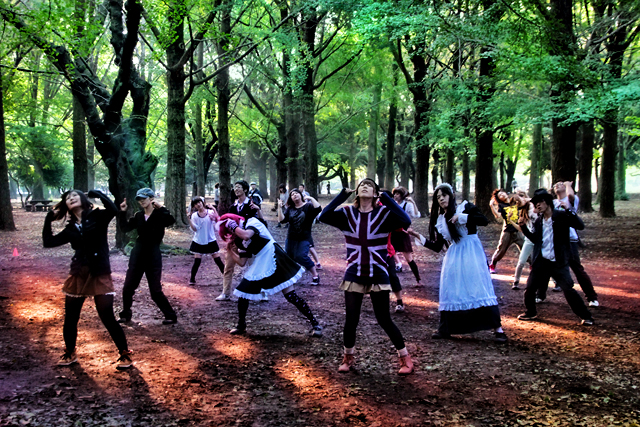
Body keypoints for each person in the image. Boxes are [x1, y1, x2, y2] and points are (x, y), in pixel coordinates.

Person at [319, 178, 414, 375]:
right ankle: (348, 356)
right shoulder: (347, 214)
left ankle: (405, 358)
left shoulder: (384, 214)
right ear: (357, 191)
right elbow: (324, 216)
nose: (365, 186)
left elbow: (405, 221)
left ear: (375, 193)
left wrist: (386, 198)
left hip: (378, 271)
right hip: (354, 271)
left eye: (370, 185)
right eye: (362, 184)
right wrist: (342, 195)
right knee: (351, 319)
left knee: (384, 319)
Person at [43, 189, 132, 369]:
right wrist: (47, 220)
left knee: (107, 316)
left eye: (75, 195)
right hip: (79, 274)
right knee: (71, 317)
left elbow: (114, 210)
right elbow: (48, 242)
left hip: (99, 273)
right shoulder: (70, 229)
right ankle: (70, 353)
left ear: (83, 199)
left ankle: (125, 354)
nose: (71, 198)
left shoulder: (98, 217)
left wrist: (98, 193)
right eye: (68, 198)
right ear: (66, 205)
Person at [417, 183, 507, 343]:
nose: (441, 199)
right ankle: (445, 329)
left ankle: (498, 330)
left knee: (478, 287)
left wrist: (462, 217)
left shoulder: (465, 207)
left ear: (451, 195)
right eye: (438, 197)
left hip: (472, 252)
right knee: (451, 289)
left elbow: (484, 220)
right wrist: (420, 238)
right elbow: (438, 246)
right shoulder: (440, 220)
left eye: (443, 195)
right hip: (454, 256)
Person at [217, 214, 323, 337]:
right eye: (228, 231)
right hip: (260, 263)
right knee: (243, 293)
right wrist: (230, 251)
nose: (231, 232)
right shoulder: (239, 239)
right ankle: (241, 326)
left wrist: (234, 226)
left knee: (291, 295)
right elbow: (242, 262)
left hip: (273, 257)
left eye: (230, 229)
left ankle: (315, 324)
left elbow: (247, 234)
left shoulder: (252, 221)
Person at [511, 189, 594, 326]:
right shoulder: (539, 221)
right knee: (530, 288)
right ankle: (531, 312)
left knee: (568, 289)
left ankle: (586, 316)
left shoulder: (561, 216)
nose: (537, 205)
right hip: (541, 262)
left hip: (558, 262)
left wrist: (569, 211)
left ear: (547, 202)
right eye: (535, 203)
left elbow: (580, 225)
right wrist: (523, 227)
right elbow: (536, 240)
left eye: (539, 202)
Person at [118, 188, 178, 325]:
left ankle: (170, 316)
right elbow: (125, 228)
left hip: (153, 256)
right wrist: (122, 212)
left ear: (151, 199)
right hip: (138, 255)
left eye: (144, 199)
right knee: (128, 287)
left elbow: (170, 221)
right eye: (139, 199)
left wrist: (162, 207)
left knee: (155, 290)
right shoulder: (138, 216)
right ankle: (125, 314)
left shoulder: (160, 215)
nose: (141, 202)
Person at [545, 181, 599, 306]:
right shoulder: (553, 203)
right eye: (555, 185)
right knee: (547, 268)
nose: (557, 185)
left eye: (560, 184)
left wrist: (568, 185)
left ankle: (592, 297)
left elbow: (570, 196)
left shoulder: (571, 200)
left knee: (577, 269)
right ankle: (540, 295)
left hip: (570, 240)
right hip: (555, 240)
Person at [217, 180, 264, 301]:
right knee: (228, 267)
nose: (236, 189)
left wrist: (258, 210)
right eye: (235, 187)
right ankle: (225, 293)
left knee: (254, 266)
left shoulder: (252, 204)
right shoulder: (233, 207)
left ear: (245, 190)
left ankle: (261, 292)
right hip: (234, 240)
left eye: (239, 187)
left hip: (250, 241)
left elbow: (260, 223)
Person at [277, 189, 321, 285]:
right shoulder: (290, 209)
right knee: (289, 257)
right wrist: (279, 208)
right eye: (292, 194)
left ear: (301, 195)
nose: (295, 195)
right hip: (291, 238)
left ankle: (315, 275)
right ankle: (291, 276)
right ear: (291, 198)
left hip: (304, 237)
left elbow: (318, 209)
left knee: (301, 256)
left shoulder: (308, 206)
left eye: (296, 193)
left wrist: (310, 198)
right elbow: (282, 220)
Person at [188, 196, 224, 285]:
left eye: (199, 202)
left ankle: (226, 276)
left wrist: (214, 214)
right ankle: (192, 279)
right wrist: (189, 219)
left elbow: (217, 223)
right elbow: (195, 229)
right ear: (194, 206)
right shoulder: (194, 215)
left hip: (210, 239)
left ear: (203, 202)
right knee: (197, 261)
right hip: (199, 240)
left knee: (218, 260)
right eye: (196, 203)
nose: (198, 204)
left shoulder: (210, 212)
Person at [390, 186, 422, 285]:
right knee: (389, 253)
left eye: (398, 194)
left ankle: (418, 279)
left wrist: (413, 203)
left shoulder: (407, 205)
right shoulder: (392, 204)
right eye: (395, 193)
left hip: (403, 233)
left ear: (402, 195)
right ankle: (391, 276)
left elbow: (417, 215)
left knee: (409, 258)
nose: (395, 196)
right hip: (392, 232)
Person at [488, 189, 523, 274]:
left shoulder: (514, 202)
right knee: (501, 250)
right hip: (507, 231)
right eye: (500, 195)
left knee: (525, 248)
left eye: (502, 193)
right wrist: (492, 206)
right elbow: (498, 215)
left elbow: (523, 205)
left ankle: (532, 266)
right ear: (499, 199)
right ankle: (492, 265)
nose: (502, 195)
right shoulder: (501, 205)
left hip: (517, 230)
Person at [510, 194, 537, 290]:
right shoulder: (522, 212)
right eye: (516, 203)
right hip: (529, 239)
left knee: (543, 262)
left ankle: (556, 282)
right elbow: (521, 229)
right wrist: (511, 220)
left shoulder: (534, 204)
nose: (518, 203)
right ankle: (516, 282)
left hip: (541, 238)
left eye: (518, 201)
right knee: (521, 261)